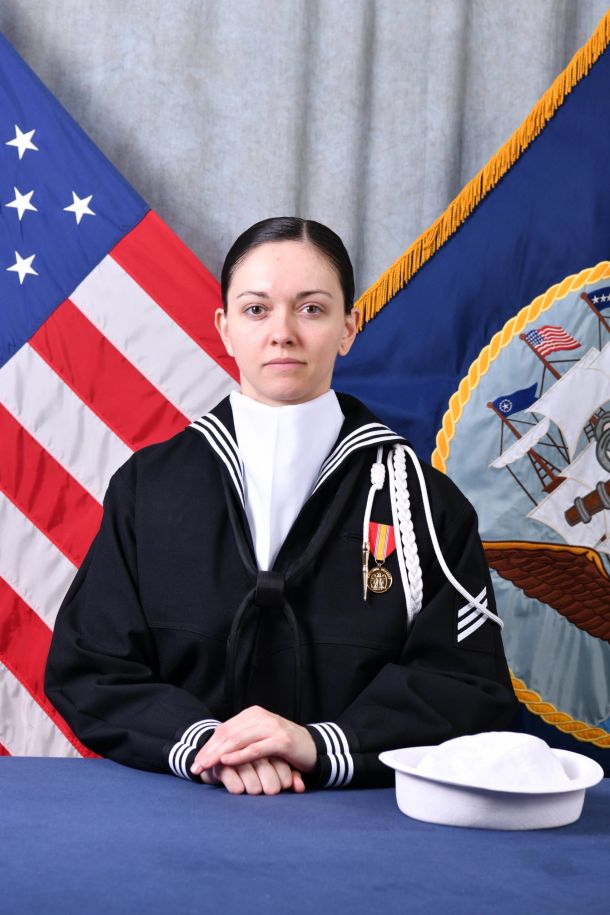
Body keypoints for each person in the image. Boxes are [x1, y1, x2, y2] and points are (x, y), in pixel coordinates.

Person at [45, 217, 518, 795]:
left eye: (311, 309)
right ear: (224, 328)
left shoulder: (426, 503)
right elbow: (90, 669)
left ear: (349, 328)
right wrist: (210, 746)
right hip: (178, 810)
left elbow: (470, 687)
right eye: (256, 309)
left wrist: (322, 745)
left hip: (361, 823)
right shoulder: (147, 488)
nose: (283, 333)